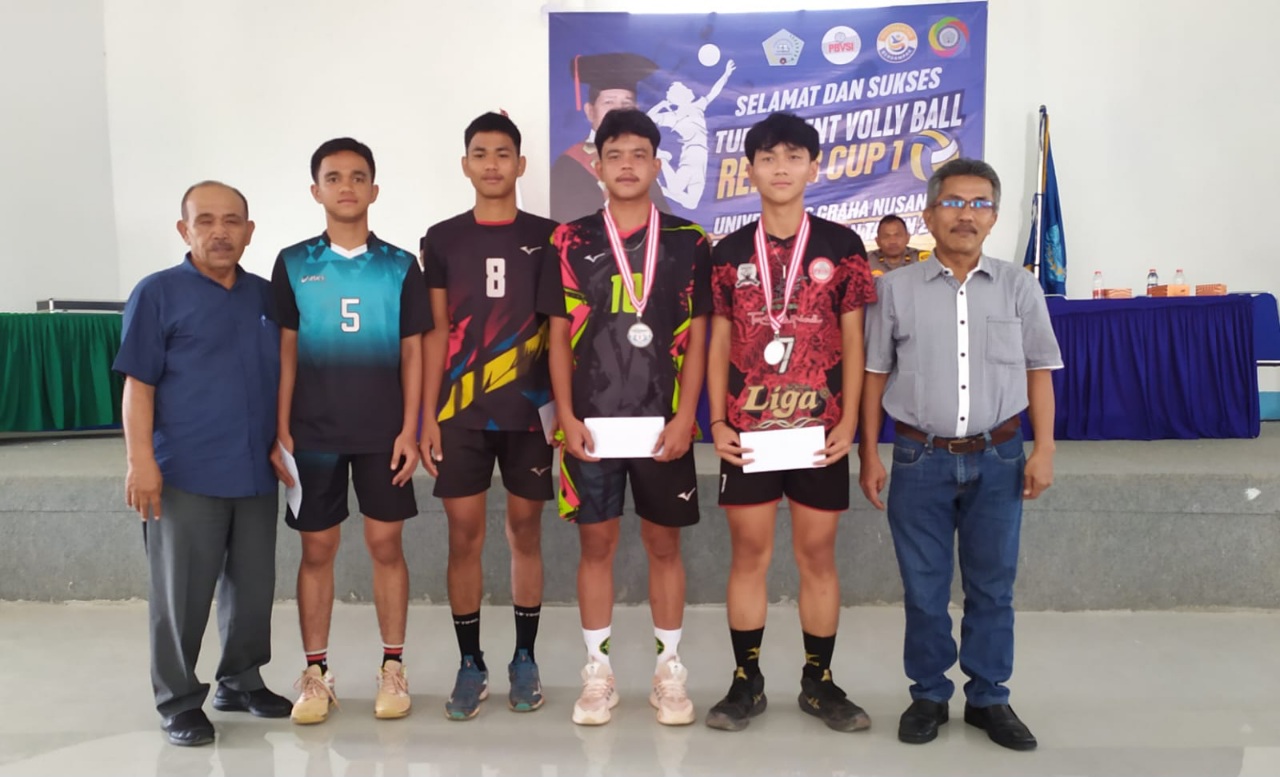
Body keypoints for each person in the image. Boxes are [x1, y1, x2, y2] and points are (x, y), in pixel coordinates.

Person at [858, 158, 1062, 751]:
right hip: (919, 459)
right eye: (952, 202)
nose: (965, 215)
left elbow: (1040, 370)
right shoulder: (894, 289)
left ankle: (989, 698)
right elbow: (874, 375)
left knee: (993, 586)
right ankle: (928, 694)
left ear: (994, 217)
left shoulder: (1019, 286)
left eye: (979, 204)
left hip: (1000, 457)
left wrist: (1044, 449)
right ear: (929, 215)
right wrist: (869, 454)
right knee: (924, 589)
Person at [703, 112, 877, 734]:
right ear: (748, 170)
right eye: (768, 157)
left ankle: (818, 682)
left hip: (819, 432)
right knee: (749, 555)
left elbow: (854, 342)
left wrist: (849, 421)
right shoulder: (727, 254)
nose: (781, 168)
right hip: (748, 433)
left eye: (794, 156)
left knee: (817, 556)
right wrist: (715, 421)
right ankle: (745, 682)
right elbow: (718, 342)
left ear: (814, 167)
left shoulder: (842, 247)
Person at [540, 108, 711, 727]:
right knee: (597, 544)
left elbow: (700, 335)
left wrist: (686, 416)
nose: (628, 165)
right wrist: (565, 415)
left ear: (658, 164)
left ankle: (669, 672)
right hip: (593, 424)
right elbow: (558, 336)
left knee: (664, 545)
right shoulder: (568, 241)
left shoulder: (690, 242)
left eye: (640, 154)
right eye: (615, 155)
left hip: (664, 426)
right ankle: (598, 673)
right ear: (598, 165)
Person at [114, 181, 290, 747]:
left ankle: (240, 680)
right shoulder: (157, 293)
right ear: (183, 229)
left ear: (249, 231)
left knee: (253, 588)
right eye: (206, 220)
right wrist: (141, 460)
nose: (220, 232)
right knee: (181, 595)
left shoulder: (266, 297)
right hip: (184, 472)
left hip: (256, 471)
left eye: (232, 221)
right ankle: (178, 700)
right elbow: (138, 385)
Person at [272, 138, 433, 725]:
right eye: (334, 177)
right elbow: (285, 354)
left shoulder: (400, 265)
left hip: (383, 434)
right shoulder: (293, 262)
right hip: (312, 434)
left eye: (358, 176)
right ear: (316, 190)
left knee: (385, 545)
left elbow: (413, 354)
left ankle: (393, 666)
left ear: (374, 190)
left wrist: (410, 429)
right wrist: (280, 430)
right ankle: (316, 674)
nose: (347, 186)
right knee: (317, 548)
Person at [419, 112, 560, 720]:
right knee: (464, 536)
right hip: (460, 414)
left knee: (525, 532)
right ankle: (470, 663)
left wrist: (562, 408)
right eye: (480, 153)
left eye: (503, 153)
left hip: (530, 415)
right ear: (465, 165)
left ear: (521, 164)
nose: (493, 164)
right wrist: (427, 415)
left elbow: (561, 331)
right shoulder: (442, 239)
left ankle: (524, 657)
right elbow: (435, 332)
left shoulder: (551, 237)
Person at [550, 52, 672, 222]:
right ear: (590, 111)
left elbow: (663, 224)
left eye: (626, 103)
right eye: (609, 102)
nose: (618, 111)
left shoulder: (641, 165)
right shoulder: (570, 166)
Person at [647, 59, 736, 209]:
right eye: (685, 89)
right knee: (675, 189)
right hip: (690, 154)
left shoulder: (698, 106)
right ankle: (662, 159)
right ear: (679, 96)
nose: (690, 90)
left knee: (692, 204)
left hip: (703, 157)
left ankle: (664, 190)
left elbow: (714, 92)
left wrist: (726, 74)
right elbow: (647, 118)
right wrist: (662, 105)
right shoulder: (673, 116)